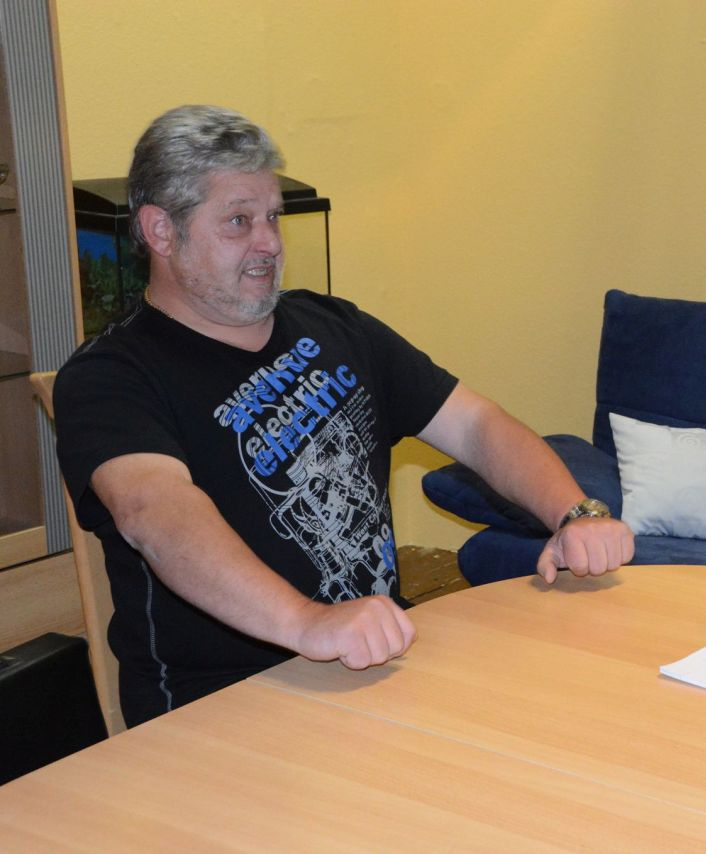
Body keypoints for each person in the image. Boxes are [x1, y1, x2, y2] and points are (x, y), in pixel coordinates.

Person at [54, 104, 634, 727]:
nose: (269, 243)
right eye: (239, 221)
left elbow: (474, 424)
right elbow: (157, 513)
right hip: (224, 708)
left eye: (273, 217)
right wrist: (308, 623)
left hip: (379, 666)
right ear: (161, 231)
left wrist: (574, 513)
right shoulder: (110, 375)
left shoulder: (332, 325)